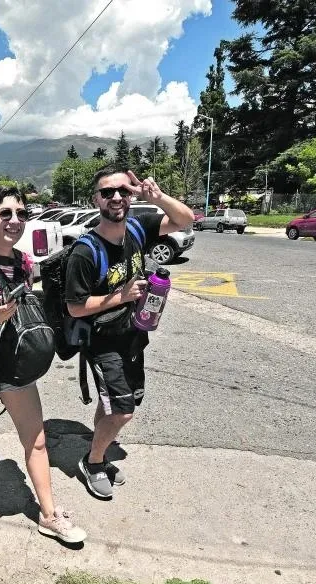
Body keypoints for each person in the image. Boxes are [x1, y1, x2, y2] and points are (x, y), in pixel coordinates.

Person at [0, 186, 86, 543]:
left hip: (13, 357)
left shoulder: (23, 263)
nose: (14, 220)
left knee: (36, 440)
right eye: (5, 213)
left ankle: (49, 515)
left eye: (21, 213)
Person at [64, 167, 195, 500]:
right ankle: (92, 462)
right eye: (107, 192)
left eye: (123, 190)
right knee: (123, 410)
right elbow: (75, 308)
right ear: (95, 200)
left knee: (118, 404)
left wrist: (158, 197)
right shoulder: (85, 251)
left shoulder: (137, 229)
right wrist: (120, 296)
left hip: (134, 336)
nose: (117, 197)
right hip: (103, 342)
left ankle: (100, 450)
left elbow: (185, 220)